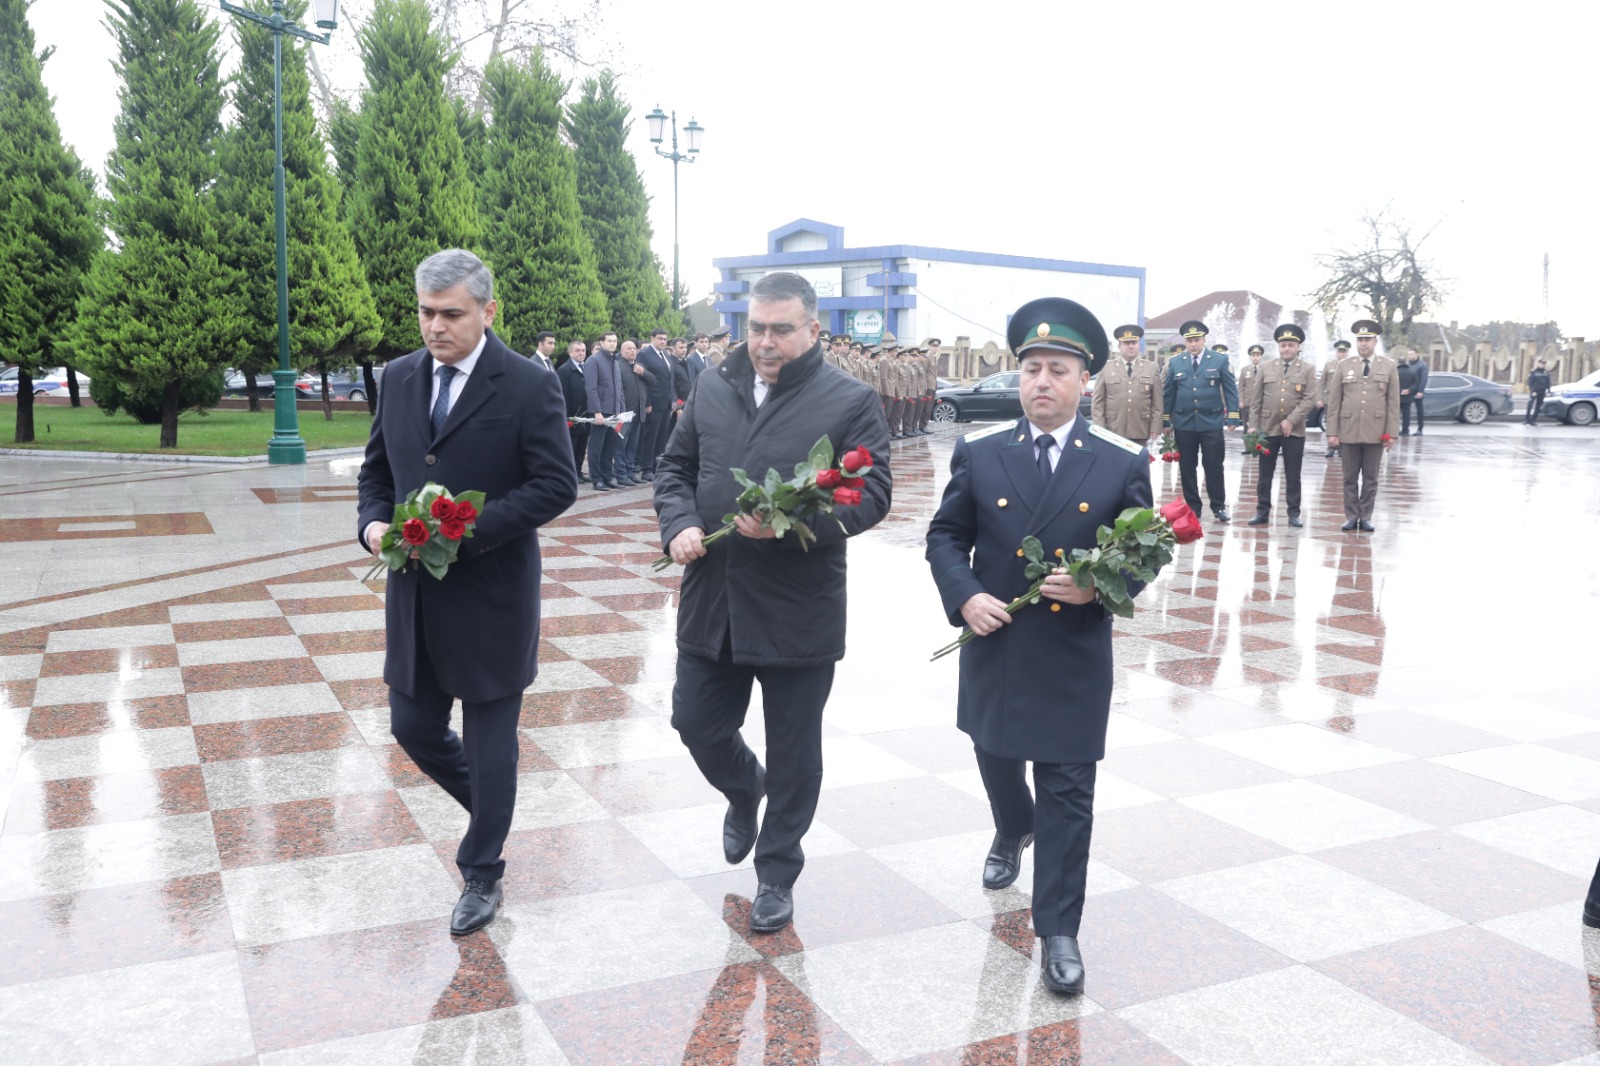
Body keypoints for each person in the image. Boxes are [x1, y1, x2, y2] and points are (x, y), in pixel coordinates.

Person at [926, 296, 1155, 996]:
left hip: (1073, 654)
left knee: (1068, 790)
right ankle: (1010, 828)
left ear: (1084, 381)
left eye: (1058, 370)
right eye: (1031, 368)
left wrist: (1099, 589)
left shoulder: (1120, 460)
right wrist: (965, 594)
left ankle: (1058, 929)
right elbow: (944, 536)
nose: (1042, 382)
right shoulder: (981, 450)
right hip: (995, 642)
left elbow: (1147, 552)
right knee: (995, 755)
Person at [654, 271, 891, 934]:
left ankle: (777, 873)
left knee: (794, 750)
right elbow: (674, 469)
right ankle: (741, 789)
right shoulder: (712, 384)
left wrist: (795, 526)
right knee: (695, 721)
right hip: (714, 598)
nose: (764, 341)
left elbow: (871, 497)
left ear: (813, 330)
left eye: (781, 329)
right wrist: (678, 524)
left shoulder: (850, 401)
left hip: (797, 608)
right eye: (755, 327)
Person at [357, 248, 578, 935]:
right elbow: (376, 472)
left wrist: (463, 531)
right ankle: (493, 809)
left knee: (489, 745)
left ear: (487, 310)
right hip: (415, 598)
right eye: (425, 312)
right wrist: (370, 523)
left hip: (492, 597)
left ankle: (482, 868)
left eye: (450, 314)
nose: (434, 327)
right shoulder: (396, 377)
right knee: (412, 728)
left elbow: (555, 485)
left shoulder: (526, 384)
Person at [1325, 320, 1399, 532]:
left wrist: (1391, 434)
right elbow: (1335, 402)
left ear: (1375, 341)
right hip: (1348, 431)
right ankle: (1350, 515)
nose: (1363, 344)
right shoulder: (1344, 366)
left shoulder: (1389, 366)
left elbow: (1393, 403)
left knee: (1370, 478)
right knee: (1349, 478)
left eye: (1367, 339)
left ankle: (1365, 516)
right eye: (1360, 340)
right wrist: (1332, 432)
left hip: (1376, 432)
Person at [1163, 319, 1238, 523]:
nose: (1193, 344)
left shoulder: (1219, 360)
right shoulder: (1176, 362)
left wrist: (1233, 414)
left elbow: (1231, 389)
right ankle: (1193, 507)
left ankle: (1218, 506)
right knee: (1187, 466)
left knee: (1213, 464)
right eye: (1189, 340)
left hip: (1211, 422)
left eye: (1196, 340)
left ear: (1204, 339)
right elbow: (1169, 392)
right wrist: (1166, 420)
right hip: (1184, 422)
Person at [1247, 325, 1318, 528]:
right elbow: (1256, 399)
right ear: (1279, 347)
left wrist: (1292, 419)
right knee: (1265, 474)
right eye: (1283, 345)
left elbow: (1309, 399)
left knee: (1293, 474)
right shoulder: (1266, 367)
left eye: (1291, 345)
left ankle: (1293, 513)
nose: (1287, 348)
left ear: (1298, 347)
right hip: (1268, 429)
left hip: (1294, 431)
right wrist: (1253, 426)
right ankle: (1262, 511)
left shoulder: (1307, 369)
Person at [1091, 324, 1163, 445]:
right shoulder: (1106, 369)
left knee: (1139, 463)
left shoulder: (1151, 368)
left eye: (1134, 343)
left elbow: (1157, 403)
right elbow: (1098, 402)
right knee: (1114, 463)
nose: (1131, 346)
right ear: (1119, 346)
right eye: (1126, 343)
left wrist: (1155, 427)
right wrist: (1099, 428)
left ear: (1139, 345)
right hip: (1113, 429)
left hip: (1140, 428)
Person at [583, 331, 624, 491]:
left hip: (614, 411)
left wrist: (621, 411)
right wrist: (596, 411)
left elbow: (619, 388)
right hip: (601, 412)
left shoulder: (614, 361)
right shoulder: (594, 360)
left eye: (615, 341)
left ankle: (607, 477)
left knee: (609, 447)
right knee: (596, 447)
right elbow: (591, 388)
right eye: (609, 341)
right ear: (601, 343)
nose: (613, 343)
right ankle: (597, 479)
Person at [637, 329, 676, 482]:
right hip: (653, 404)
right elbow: (642, 380)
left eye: (665, 339)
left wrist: (673, 399)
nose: (663, 341)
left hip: (666, 403)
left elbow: (670, 379)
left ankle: (657, 467)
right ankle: (646, 469)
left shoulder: (665, 355)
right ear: (652, 338)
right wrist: (647, 402)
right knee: (650, 437)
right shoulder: (645, 354)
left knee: (662, 437)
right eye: (659, 338)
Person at [615, 338, 654, 485]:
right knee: (621, 446)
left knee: (632, 446)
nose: (633, 351)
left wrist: (643, 372)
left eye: (634, 349)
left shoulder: (639, 366)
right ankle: (621, 474)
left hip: (638, 413)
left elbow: (653, 381)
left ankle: (630, 472)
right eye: (629, 349)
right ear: (622, 351)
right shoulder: (618, 366)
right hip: (624, 414)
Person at [557, 338, 589, 481]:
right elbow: (563, 395)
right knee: (572, 446)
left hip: (586, 415)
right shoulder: (564, 370)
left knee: (582, 445)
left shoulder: (587, 368)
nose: (581, 353)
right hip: (572, 416)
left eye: (583, 350)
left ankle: (579, 471)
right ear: (570, 352)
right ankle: (571, 474)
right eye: (577, 350)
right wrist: (567, 417)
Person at [1317, 340, 1351, 456]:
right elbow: (1321, 383)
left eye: (1344, 351)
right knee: (1330, 422)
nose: (1341, 354)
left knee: (1344, 423)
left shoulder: (1351, 365)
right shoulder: (1329, 365)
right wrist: (1319, 398)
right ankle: (1331, 447)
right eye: (1339, 351)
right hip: (1330, 400)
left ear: (1347, 352)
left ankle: (1342, 447)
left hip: (1345, 400)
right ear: (1336, 352)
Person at [1238, 345, 1263, 453]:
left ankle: (1259, 447)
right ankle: (1248, 448)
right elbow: (1241, 387)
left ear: (1261, 356)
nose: (1255, 357)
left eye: (1257, 355)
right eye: (1253, 355)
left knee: (1261, 426)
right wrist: (1241, 400)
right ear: (1250, 357)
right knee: (1246, 425)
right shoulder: (1245, 370)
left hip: (1261, 403)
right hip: (1248, 403)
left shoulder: (1265, 369)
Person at [1407, 348, 1429, 434]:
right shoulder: (1408, 365)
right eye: (1408, 354)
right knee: (1406, 410)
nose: (1409, 356)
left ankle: (1420, 429)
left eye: (1411, 354)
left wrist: (1420, 391)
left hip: (1417, 391)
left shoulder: (1422, 365)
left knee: (1419, 410)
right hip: (1409, 390)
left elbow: (1424, 378)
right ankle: (1405, 428)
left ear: (1416, 354)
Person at [1397, 355, 1419, 436]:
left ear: (1398, 362)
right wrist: (1409, 390)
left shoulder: (1395, 371)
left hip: (1397, 396)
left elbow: (1393, 384)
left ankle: (1396, 430)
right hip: (1408, 397)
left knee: (1396, 415)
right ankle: (1405, 430)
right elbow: (1416, 384)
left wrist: (1400, 390)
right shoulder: (1412, 371)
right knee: (1406, 415)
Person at [1527, 358, 1551, 424]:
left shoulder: (1546, 373)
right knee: (1530, 405)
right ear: (1538, 364)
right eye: (1541, 363)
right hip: (1534, 391)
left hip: (1542, 392)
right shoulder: (1533, 372)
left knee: (1538, 407)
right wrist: (1532, 391)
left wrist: (1548, 391)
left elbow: (1548, 383)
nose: (1542, 365)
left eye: (1544, 364)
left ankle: (1533, 420)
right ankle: (1527, 420)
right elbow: (1530, 382)